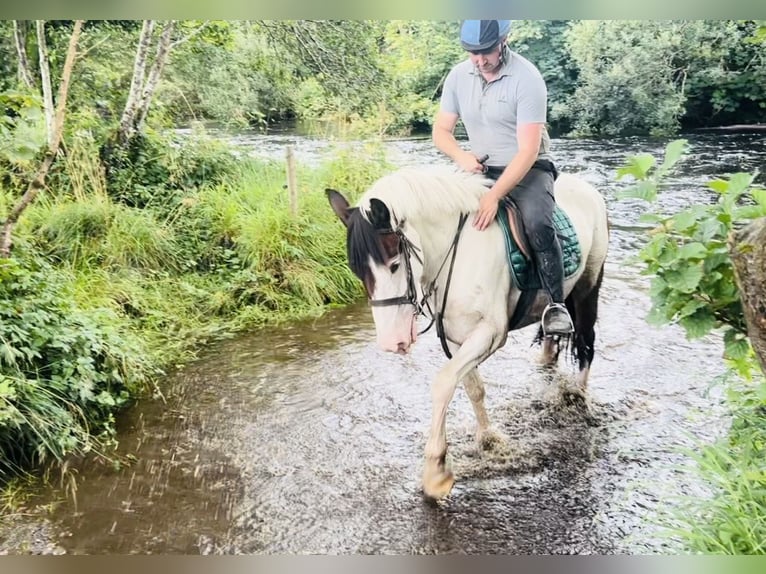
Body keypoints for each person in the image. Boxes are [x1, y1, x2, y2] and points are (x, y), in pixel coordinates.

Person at [432, 19, 573, 336]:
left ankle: (556, 305)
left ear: (504, 40)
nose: (480, 60)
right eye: (472, 53)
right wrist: (462, 157)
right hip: (480, 167)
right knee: (440, 217)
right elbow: (441, 132)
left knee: (538, 223)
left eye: (486, 51)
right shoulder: (458, 76)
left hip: (528, 167)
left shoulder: (527, 78)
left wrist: (494, 196)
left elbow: (528, 150)